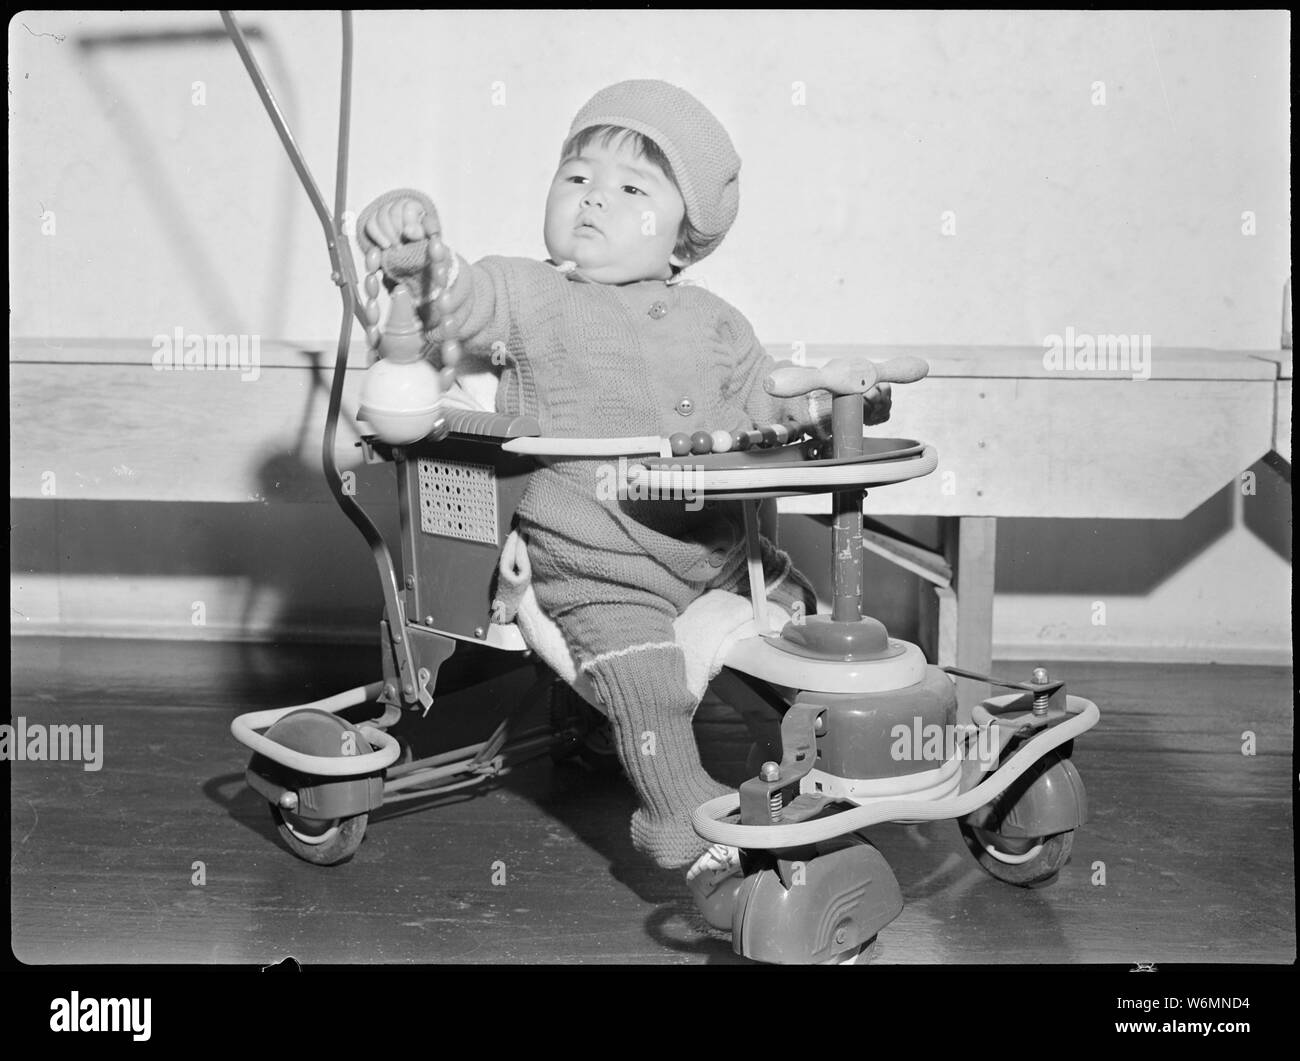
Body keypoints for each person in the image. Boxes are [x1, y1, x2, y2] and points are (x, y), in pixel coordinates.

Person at [358, 79, 894, 890]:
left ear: (683, 243)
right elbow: (458, 302)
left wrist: (826, 394)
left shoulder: (715, 320)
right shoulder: (531, 291)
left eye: (631, 188)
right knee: (645, 676)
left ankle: (828, 765)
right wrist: (420, 254)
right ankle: (689, 825)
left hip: (717, 548)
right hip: (596, 560)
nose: (593, 200)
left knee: (806, 618)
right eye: (577, 177)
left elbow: (763, 392)